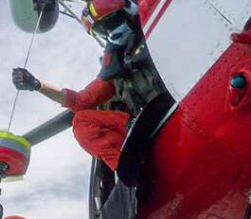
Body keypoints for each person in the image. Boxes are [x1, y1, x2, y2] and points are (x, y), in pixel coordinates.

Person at [12, 0, 166, 171]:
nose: (110, 31)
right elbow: (79, 101)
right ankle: (129, 170)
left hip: (173, 101)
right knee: (81, 121)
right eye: (102, 29)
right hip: (148, 125)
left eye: (112, 21)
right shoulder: (116, 72)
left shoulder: (160, 26)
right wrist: (36, 84)